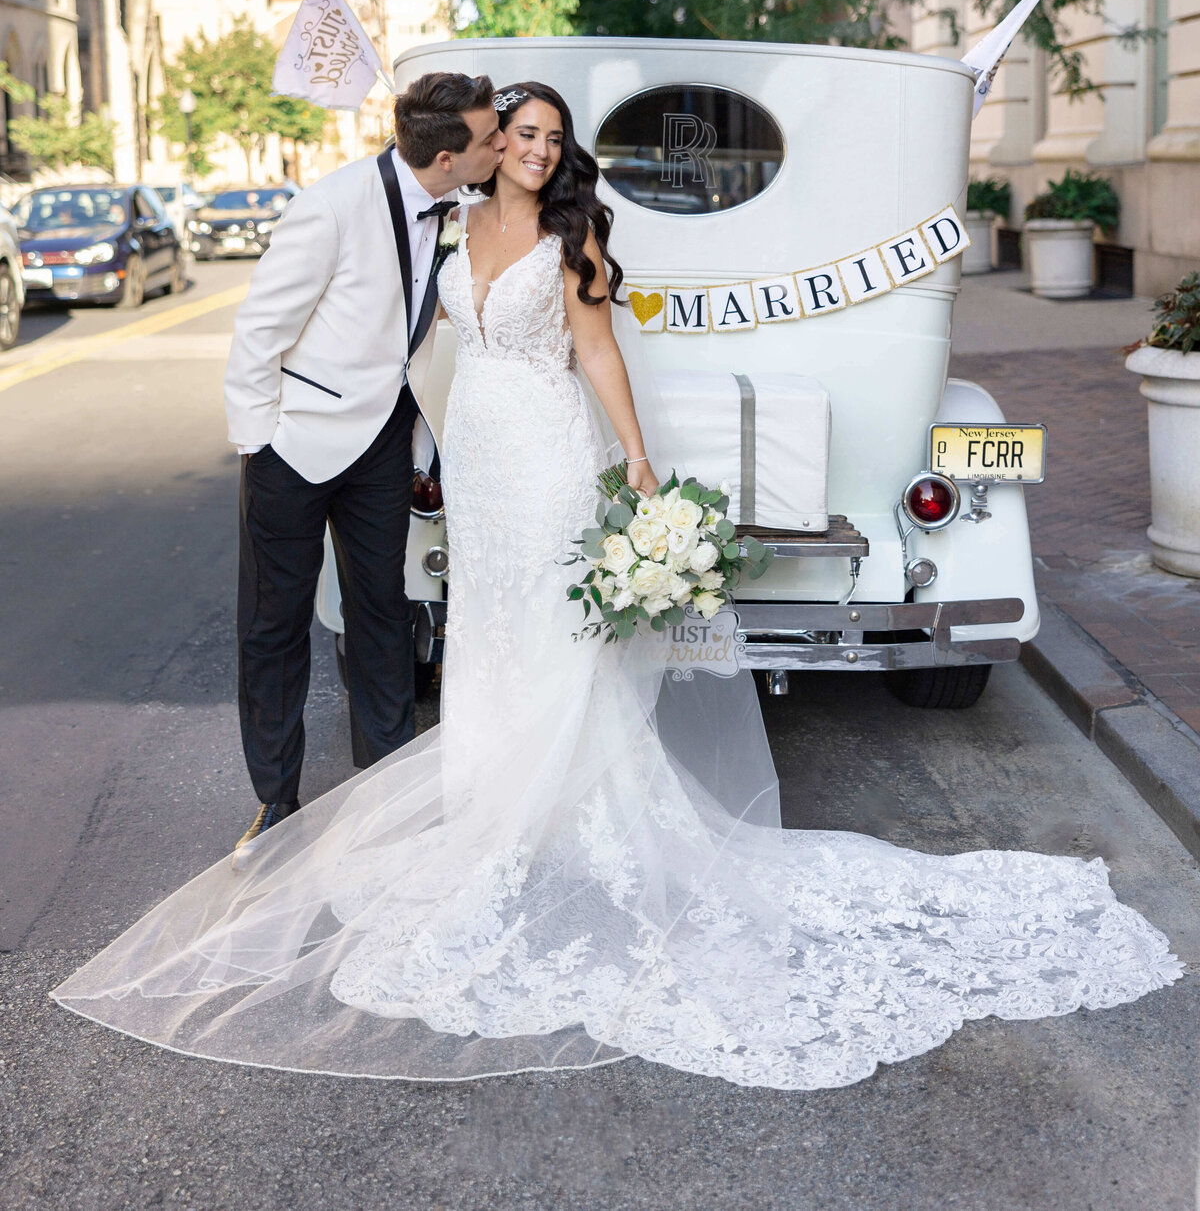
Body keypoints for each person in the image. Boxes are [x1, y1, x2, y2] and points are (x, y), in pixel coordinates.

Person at [54, 83, 1181, 1091]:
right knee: (488, 627)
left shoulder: (569, 229)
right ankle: (489, 798)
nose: (537, 151)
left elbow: (597, 352)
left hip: (548, 449)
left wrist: (634, 454)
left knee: (553, 624)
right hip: (480, 450)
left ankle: (552, 812)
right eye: (522, 134)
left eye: (551, 137)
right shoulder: (448, 220)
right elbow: (409, 330)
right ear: (488, 146)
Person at [221, 69, 505, 864]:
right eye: (489, 139)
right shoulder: (330, 206)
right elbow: (259, 331)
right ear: (448, 157)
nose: (499, 147)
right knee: (274, 627)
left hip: (387, 440)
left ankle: (384, 784)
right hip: (296, 447)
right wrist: (260, 444)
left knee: (382, 612)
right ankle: (275, 797)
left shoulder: (463, 206)